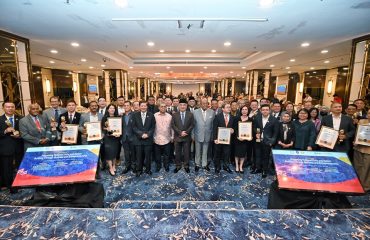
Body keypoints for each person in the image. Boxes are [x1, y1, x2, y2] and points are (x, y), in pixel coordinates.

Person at [0, 101, 24, 193]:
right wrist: (5, 131)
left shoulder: (21, 118)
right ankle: (10, 186)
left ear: (15, 108)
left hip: (19, 148)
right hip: (5, 149)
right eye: (8, 107)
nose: (10, 108)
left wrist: (20, 135)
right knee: (7, 169)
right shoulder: (0, 119)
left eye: (12, 107)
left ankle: (20, 184)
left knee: (20, 168)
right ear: (3, 108)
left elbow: (25, 131)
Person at [252, 104, 278, 178]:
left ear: (269, 110)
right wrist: (256, 133)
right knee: (257, 155)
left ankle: (264, 170)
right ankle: (258, 168)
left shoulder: (274, 120)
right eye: (263, 110)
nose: (265, 111)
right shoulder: (257, 117)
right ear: (261, 110)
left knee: (266, 157)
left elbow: (275, 133)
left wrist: (271, 142)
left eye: (267, 109)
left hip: (267, 141)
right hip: (258, 140)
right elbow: (255, 127)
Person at [131, 101, 156, 177]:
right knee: (139, 156)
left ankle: (148, 170)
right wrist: (141, 134)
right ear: (139, 106)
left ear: (147, 106)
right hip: (138, 139)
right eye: (142, 106)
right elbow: (133, 127)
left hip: (148, 139)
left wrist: (147, 134)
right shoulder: (135, 115)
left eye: (145, 106)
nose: (143, 107)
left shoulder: (151, 115)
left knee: (148, 156)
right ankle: (139, 170)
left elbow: (153, 127)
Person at [172, 98, 194, 173]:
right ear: (178, 105)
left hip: (187, 137)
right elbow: (173, 125)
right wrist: (180, 132)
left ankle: (186, 165)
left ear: (186, 106)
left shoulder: (190, 114)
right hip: (177, 137)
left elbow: (192, 125)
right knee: (177, 152)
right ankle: (178, 165)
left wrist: (186, 132)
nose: (182, 106)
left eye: (184, 105)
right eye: (181, 105)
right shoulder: (174, 115)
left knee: (186, 152)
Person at [193, 98, 215, 172]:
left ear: (208, 104)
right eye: (203, 103)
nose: (205, 105)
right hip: (198, 134)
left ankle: (204, 164)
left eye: (206, 103)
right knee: (197, 151)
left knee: (205, 151)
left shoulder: (212, 112)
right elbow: (193, 125)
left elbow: (212, 125)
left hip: (207, 135)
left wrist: (212, 135)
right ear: (200, 104)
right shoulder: (195, 112)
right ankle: (197, 164)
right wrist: (192, 135)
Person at [213, 103, 236, 174]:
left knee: (227, 153)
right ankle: (217, 166)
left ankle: (226, 166)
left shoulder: (233, 117)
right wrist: (215, 138)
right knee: (217, 153)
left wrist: (233, 130)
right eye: (227, 107)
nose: (229, 108)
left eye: (229, 107)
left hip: (228, 140)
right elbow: (214, 128)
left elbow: (234, 127)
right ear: (223, 109)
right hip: (219, 140)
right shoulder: (217, 117)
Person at [101, 104, 121, 176]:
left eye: (113, 108)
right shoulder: (104, 118)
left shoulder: (118, 117)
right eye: (110, 108)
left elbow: (120, 127)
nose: (112, 109)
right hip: (108, 138)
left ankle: (114, 165)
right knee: (109, 153)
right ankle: (110, 167)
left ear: (115, 110)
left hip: (116, 137)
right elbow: (102, 127)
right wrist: (107, 129)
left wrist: (119, 133)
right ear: (108, 109)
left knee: (115, 152)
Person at [353, 109, 370, 192]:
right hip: (358, 147)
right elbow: (358, 132)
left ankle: (365, 187)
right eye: (369, 113)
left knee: (366, 169)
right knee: (357, 166)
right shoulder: (362, 121)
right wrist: (356, 140)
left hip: (368, 150)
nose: (369, 114)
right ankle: (356, 184)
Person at [153, 103, 173, 172]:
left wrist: (172, 136)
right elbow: (152, 127)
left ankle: (166, 166)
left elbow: (172, 127)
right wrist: (152, 137)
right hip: (157, 138)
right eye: (161, 106)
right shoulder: (155, 116)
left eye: (165, 106)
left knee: (166, 154)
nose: (163, 108)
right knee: (157, 155)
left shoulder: (169, 116)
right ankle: (158, 166)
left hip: (167, 138)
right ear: (159, 107)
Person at [234, 105, 252, 173]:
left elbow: (252, 130)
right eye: (243, 109)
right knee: (236, 153)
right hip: (237, 139)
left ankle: (241, 166)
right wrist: (237, 137)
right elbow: (235, 129)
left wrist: (250, 137)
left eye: (246, 109)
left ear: (248, 111)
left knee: (243, 154)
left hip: (245, 140)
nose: (244, 111)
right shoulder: (237, 118)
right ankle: (236, 166)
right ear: (241, 111)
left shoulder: (250, 119)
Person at [121, 101, 135, 174]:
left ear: (130, 106)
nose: (126, 107)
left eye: (127, 105)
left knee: (133, 152)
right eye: (125, 105)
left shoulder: (135, 115)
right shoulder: (122, 116)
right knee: (126, 153)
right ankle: (127, 166)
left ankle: (133, 166)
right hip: (124, 137)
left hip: (132, 137)